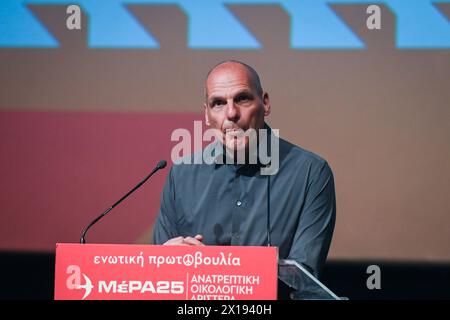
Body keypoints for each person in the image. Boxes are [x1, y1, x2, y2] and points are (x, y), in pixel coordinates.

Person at [153, 60, 336, 278]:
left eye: (242, 99)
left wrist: (210, 269)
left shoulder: (310, 173)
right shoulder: (181, 175)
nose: (231, 113)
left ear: (265, 103)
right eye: (218, 103)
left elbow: (302, 277)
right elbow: (162, 274)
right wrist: (160, 263)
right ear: (206, 115)